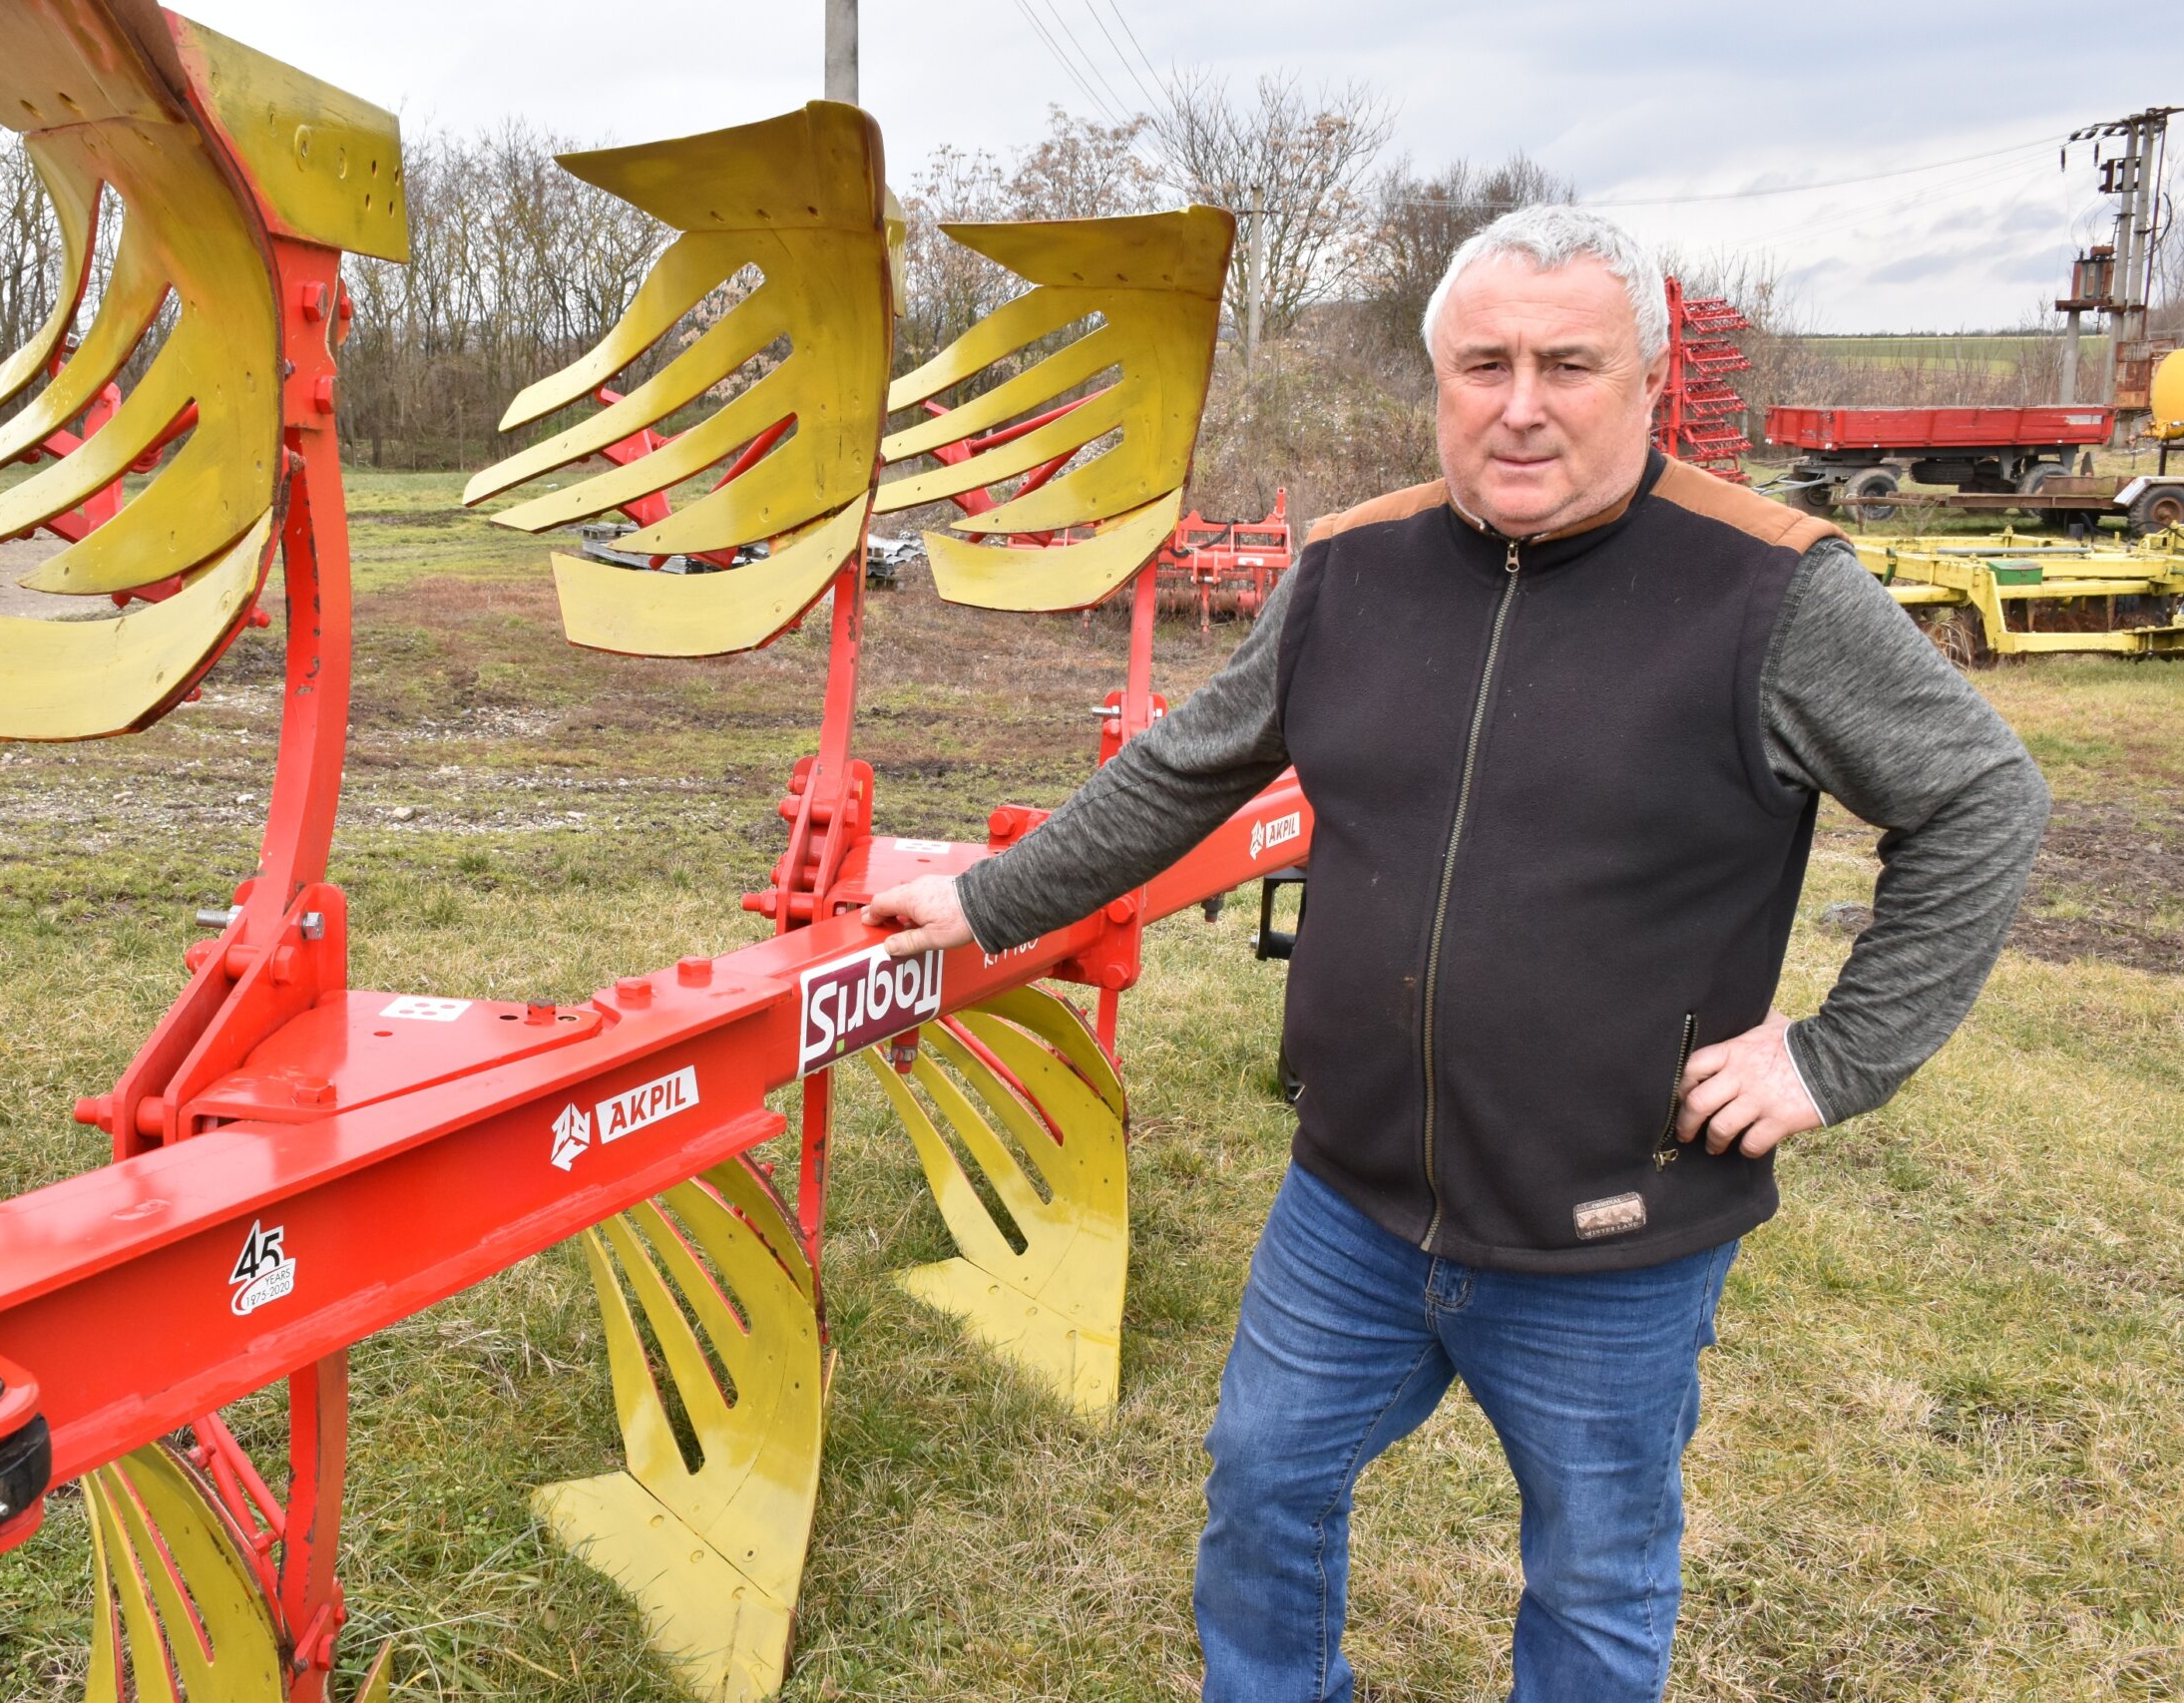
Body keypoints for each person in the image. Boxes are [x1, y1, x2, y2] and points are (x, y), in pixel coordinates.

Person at [863, 206, 2050, 1702]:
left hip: (1608, 1227)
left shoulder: (1771, 592)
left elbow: (1982, 797)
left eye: (1569, 363)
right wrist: (993, 902)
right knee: (1263, 1485)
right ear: (1439, 381)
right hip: (1351, 1201)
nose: (1522, 403)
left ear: (1648, 379)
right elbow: (1186, 769)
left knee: (1597, 1567)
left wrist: (1836, 1057)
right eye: (1483, 364)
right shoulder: (1352, 569)